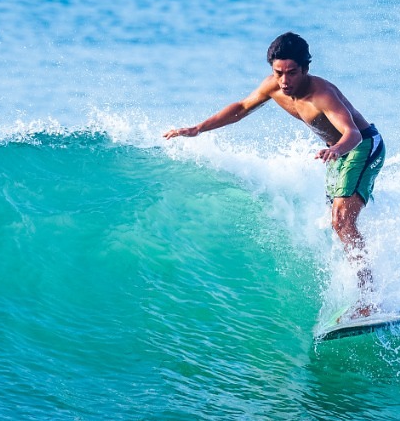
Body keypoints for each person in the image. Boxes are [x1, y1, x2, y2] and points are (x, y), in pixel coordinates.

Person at [164, 33, 386, 314]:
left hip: (361, 145)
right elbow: (241, 108)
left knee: (342, 220)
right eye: (278, 72)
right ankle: (362, 289)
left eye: (291, 73)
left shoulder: (322, 94)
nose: (284, 81)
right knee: (338, 223)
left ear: (305, 68)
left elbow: (352, 133)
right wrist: (198, 128)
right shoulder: (273, 86)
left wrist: (336, 150)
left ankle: (369, 300)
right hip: (335, 153)